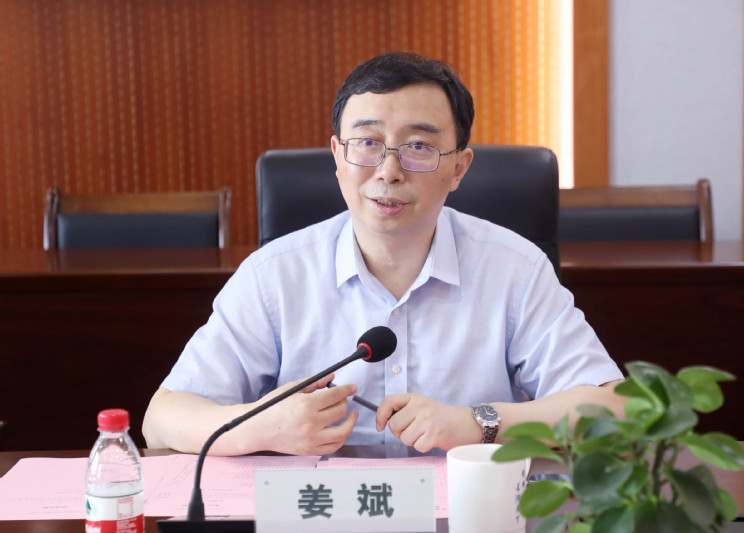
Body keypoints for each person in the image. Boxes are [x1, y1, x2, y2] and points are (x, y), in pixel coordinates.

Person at [142, 52, 624, 458]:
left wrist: (477, 422)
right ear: (338, 156)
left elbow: (617, 411)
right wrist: (261, 427)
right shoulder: (274, 276)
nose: (389, 171)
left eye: (418, 146)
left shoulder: (514, 269)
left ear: (459, 168)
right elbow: (161, 419)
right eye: (368, 143)